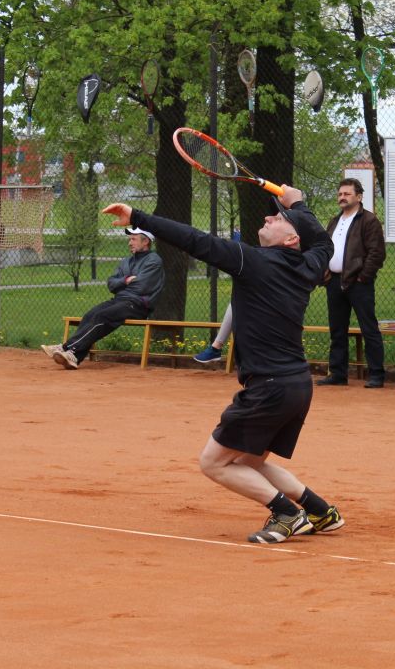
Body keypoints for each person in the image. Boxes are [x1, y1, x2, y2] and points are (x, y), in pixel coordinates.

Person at [102, 186, 344, 545]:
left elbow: (194, 240)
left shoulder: (253, 261)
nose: (268, 217)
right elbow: (323, 242)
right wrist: (297, 204)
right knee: (249, 462)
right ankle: (320, 511)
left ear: (292, 238)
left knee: (213, 463)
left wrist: (138, 217)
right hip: (296, 386)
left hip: (269, 388)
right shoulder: (310, 265)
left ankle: (288, 514)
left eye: (278, 218)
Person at [41, 226, 164, 369]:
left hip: (138, 304)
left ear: (146, 241)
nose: (129, 243)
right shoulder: (126, 261)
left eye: (133, 239)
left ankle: (66, 348)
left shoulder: (154, 261)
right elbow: (111, 284)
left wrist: (123, 284)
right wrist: (126, 280)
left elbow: (142, 287)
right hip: (120, 300)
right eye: (129, 239)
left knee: (103, 316)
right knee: (90, 315)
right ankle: (74, 358)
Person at [317, 178, 388, 388]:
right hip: (334, 281)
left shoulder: (369, 220)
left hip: (358, 283)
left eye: (347, 194)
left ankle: (376, 374)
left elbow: (377, 253)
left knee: (369, 328)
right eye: (340, 194)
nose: (342, 197)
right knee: (337, 330)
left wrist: (363, 277)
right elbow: (326, 247)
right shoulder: (334, 221)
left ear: (359, 196)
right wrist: (325, 272)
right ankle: (338, 373)